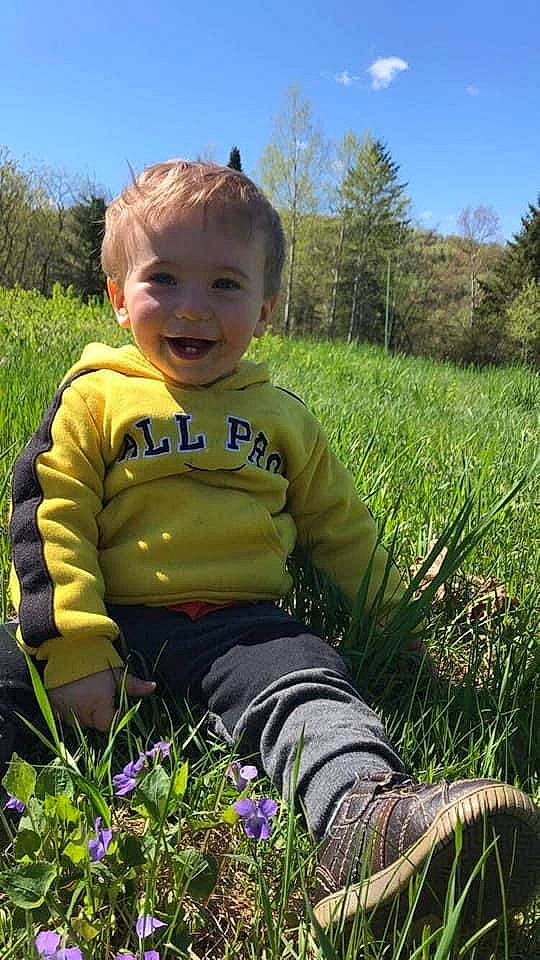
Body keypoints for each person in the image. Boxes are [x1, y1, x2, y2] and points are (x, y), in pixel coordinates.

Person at [1, 161, 538, 940]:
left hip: (244, 627)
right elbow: (50, 515)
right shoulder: (96, 396)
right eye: (163, 280)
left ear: (266, 309)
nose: (194, 307)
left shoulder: (282, 417)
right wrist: (77, 647)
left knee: (310, 691)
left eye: (225, 285)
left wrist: (398, 621)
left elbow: (340, 528)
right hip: (112, 618)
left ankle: (368, 822)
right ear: (118, 298)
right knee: (10, 672)